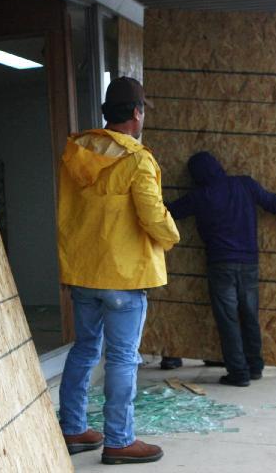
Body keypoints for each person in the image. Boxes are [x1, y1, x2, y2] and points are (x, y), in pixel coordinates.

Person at [57, 76, 180, 465]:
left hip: (83, 271)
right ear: (137, 113)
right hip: (123, 277)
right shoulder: (137, 159)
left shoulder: (77, 153)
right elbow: (151, 214)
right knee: (124, 357)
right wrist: (172, 235)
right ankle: (120, 440)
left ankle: (73, 428)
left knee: (84, 349)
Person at [166, 151, 276, 386]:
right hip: (249, 264)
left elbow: (169, 211)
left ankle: (238, 374)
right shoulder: (244, 185)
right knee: (249, 316)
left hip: (220, 266)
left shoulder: (199, 196)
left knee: (228, 320)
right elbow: (273, 203)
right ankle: (255, 366)